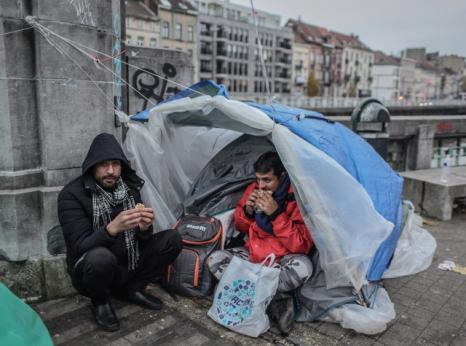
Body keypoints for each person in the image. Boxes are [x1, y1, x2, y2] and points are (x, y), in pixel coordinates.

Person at [57, 133, 182, 332]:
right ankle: (101, 302)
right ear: (92, 166)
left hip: (127, 262)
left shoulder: (129, 188)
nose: (111, 171)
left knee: (172, 239)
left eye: (116, 164)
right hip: (92, 270)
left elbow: (143, 240)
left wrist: (144, 228)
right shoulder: (71, 195)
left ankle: (131, 288)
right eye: (104, 165)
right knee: (100, 257)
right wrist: (111, 229)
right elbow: (79, 247)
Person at [208, 151, 314, 334]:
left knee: (304, 268)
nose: (261, 186)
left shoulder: (297, 198)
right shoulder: (253, 190)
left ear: (282, 176)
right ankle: (274, 301)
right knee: (215, 259)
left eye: (267, 180)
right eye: (258, 180)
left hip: (280, 260)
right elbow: (241, 228)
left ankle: (245, 292)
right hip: (253, 254)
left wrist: (276, 215)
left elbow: (301, 245)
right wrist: (248, 212)